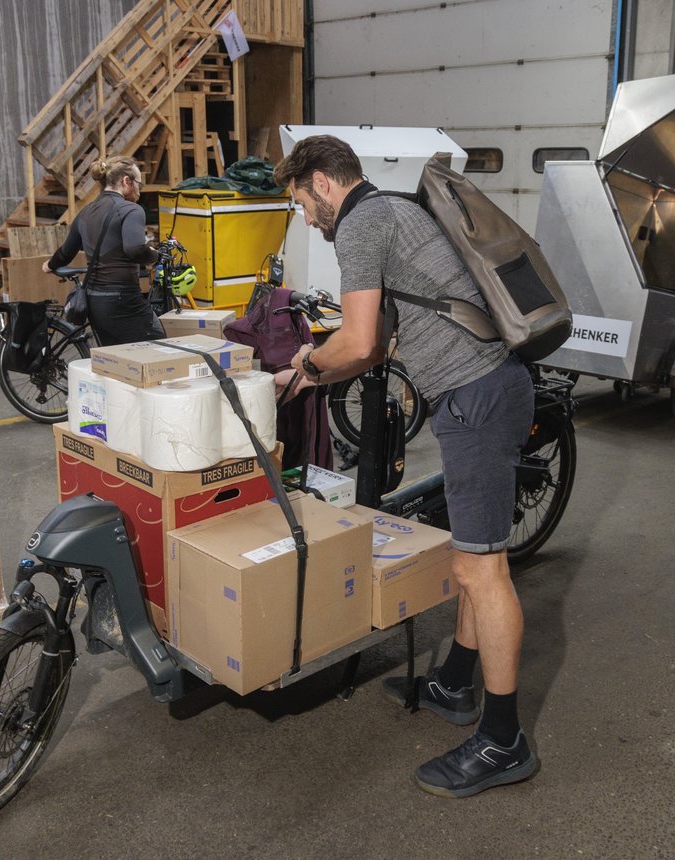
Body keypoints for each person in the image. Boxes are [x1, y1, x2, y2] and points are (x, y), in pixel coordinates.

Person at [273, 136, 538, 798]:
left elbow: (359, 343)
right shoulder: (395, 206)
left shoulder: (360, 223)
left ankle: (504, 740)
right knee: (468, 561)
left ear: (321, 184)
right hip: (490, 389)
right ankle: (454, 683)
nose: (305, 218)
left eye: (301, 204)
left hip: (475, 398)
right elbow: (387, 329)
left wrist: (304, 369)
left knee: (484, 571)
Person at [44, 155, 163, 345]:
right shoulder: (131, 210)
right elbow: (134, 249)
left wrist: (49, 265)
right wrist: (156, 256)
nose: (140, 190)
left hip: (94, 301)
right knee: (156, 348)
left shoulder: (85, 212)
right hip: (123, 300)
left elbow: (66, 252)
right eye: (139, 183)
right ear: (126, 181)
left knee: (114, 358)